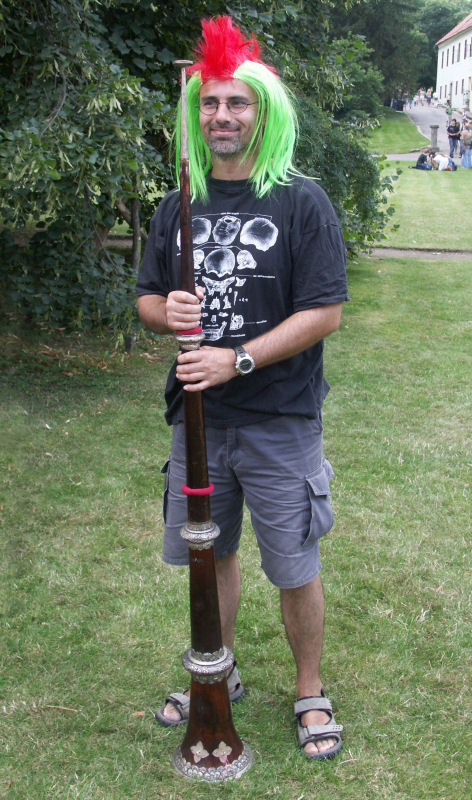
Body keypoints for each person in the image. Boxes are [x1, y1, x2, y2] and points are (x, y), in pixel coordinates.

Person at [135, 16, 347, 760]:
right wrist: (167, 312)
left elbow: (324, 311)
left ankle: (310, 689)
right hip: (197, 419)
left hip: (279, 418)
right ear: (196, 115)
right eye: (210, 103)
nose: (221, 115)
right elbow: (147, 299)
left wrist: (239, 359)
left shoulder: (299, 201)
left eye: (237, 102)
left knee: (293, 563)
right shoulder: (178, 204)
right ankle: (214, 672)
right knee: (211, 554)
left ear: (264, 112)